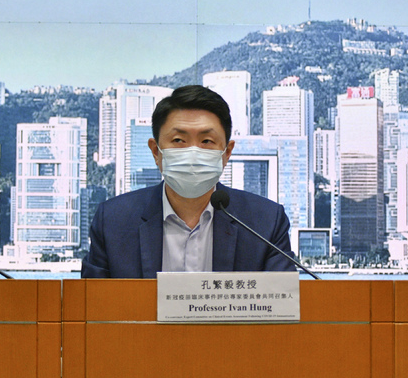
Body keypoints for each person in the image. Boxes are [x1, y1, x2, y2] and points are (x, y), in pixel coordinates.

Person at [82, 85, 296, 278]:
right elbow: (91, 311)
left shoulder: (265, 223)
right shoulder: (113, 222)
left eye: (206, 141)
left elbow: (282, 310)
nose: (193, 152)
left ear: (226, 153)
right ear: (156, 151)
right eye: (178, 141)